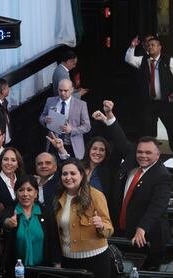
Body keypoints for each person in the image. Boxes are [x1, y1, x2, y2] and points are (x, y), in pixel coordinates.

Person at [92, 100, 172, 268]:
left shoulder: (162, 176)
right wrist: (110, 115)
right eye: (140, 152)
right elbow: (121, 140)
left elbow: (158, 206)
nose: (143, 156)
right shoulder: (133, 160)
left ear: (158, 155)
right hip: (121, 232)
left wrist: (142, 228)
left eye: (148, 153)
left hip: (148, 238)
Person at [53, 159, 113, 278]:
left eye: (73, 173)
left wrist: (101, 225)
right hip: (68, 261)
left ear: (81, 175)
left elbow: (109, 227)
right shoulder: (57, 197)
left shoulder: (96, 195)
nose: (68, 177)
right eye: (64, 174)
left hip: (96, 260)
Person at [2, 175, 61, 277]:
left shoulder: (46, 213)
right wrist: (8, 223)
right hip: (16, 270)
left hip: (43, 270)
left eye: (29, 190)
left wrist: (57, 264)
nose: (25, 194)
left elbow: (53, 240)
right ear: (16, 193)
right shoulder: (10, 211)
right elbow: (4, 223)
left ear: (36, 193)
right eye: (21, 190)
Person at [125, 36, 173, 151]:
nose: (150, 47)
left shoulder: (169, 60)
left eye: (153, 45)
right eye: (149, 45)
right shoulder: (142, 60)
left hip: (165, 102)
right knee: (146, 131)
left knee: (171, 128)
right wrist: (132, 46)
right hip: (148, 103)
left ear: (159, 47)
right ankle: (148, 152)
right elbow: (129, 59)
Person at [47, 133, 114, 200]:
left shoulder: (108, 173)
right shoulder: (80, 164)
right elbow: (69, 165)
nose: (97, 152)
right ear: (89, 150)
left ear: (106, 153)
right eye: (94, 148)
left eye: (102, 150)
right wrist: (61, 148)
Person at [39, 79, 91, 159]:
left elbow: (87, 126)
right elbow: (42, 117)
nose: (62, 93)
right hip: (54, 144)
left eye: (65, 91)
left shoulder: (81, 105)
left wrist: (72, 130)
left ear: (71, 90)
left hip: (72, 146)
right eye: (60, 90)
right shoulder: (50, 101)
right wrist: (45, 120)